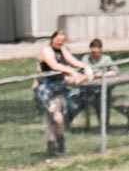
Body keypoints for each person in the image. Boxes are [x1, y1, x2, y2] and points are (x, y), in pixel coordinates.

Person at [35, 31, 90, 159]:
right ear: (52, 39)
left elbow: (72, 61)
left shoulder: (62, 50)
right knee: (56, 117)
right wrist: (71, 71)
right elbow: (54, 65)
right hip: (47, 88)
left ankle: (57, 149)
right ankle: (55, 148)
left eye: (62, 40)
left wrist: (85, 67)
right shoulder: (47, 51)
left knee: (56, 122)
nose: (60, 42)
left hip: (59, 88)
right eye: (58, 39)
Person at [80, 38, 118, 118]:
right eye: (93, 52)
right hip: (88, 88)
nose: (94, 54)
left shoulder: (106, 59)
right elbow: (80, 72)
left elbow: (115, 72)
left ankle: (104, 124)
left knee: (102, 99)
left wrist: (101, 75)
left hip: (103, 88)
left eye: (97, 52)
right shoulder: (85, 59)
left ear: (100, 50)